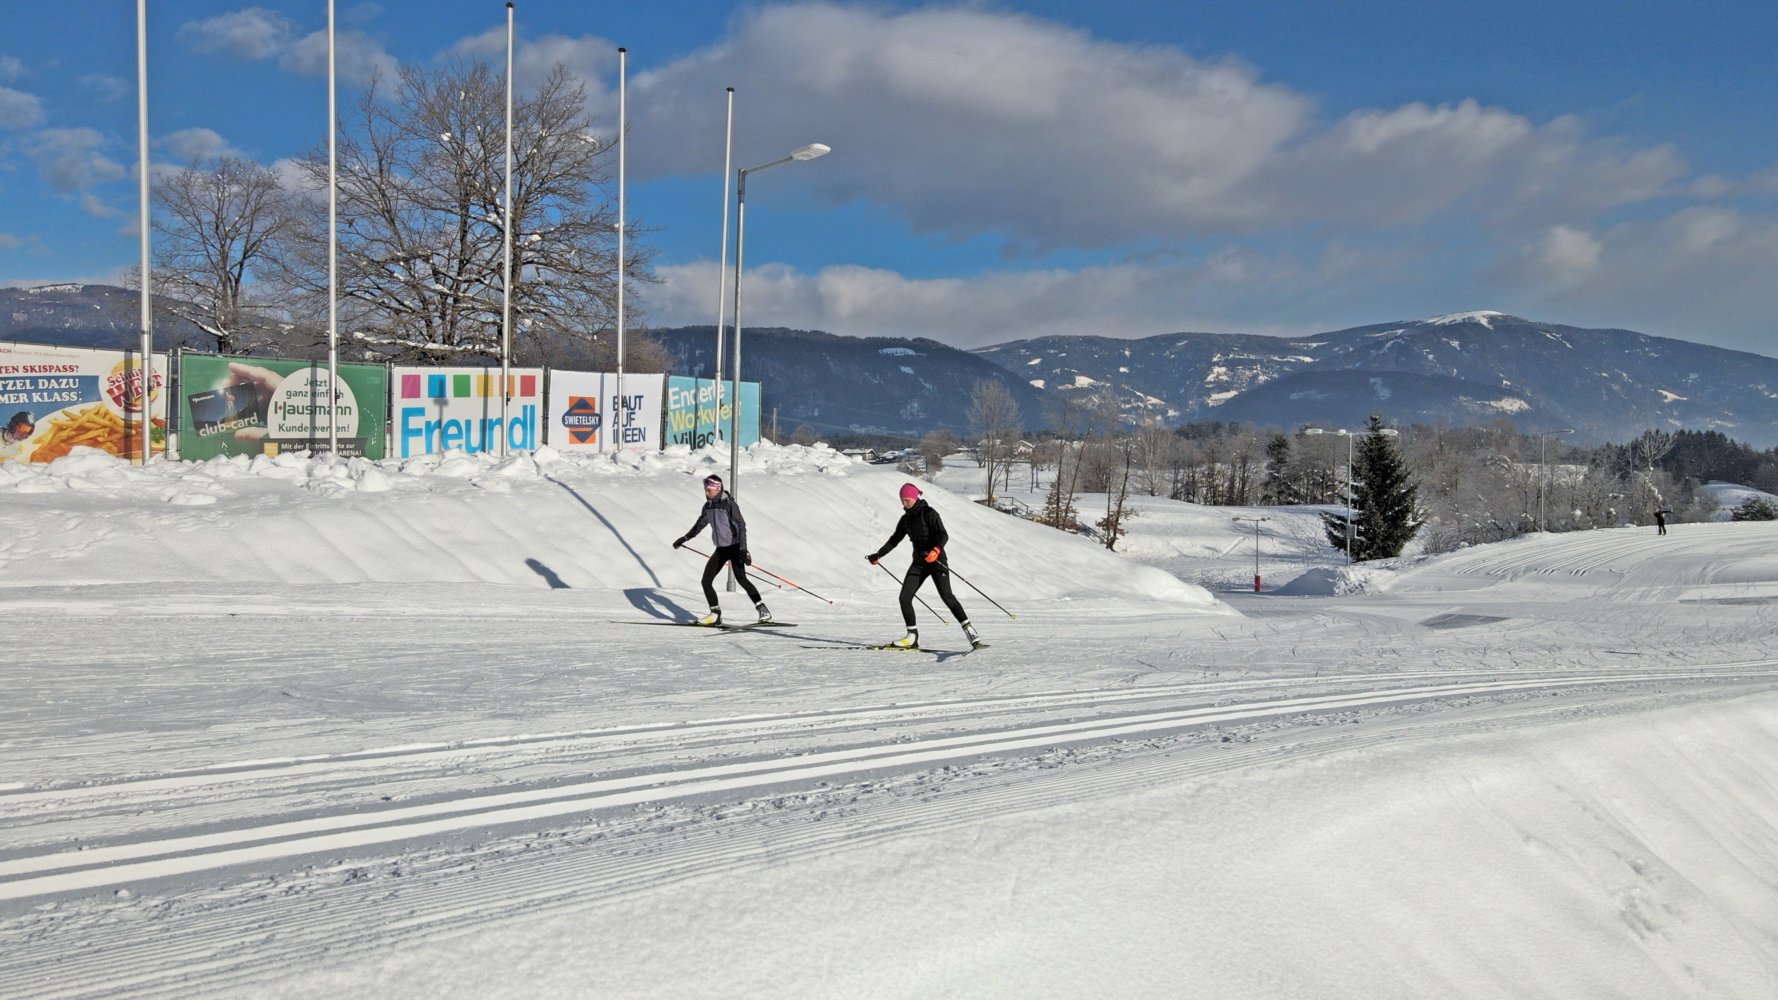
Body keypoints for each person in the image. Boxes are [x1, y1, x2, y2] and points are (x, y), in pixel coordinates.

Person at [867, 483, 980, 649]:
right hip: (919, 563)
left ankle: (969, 630)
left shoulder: (929, 513)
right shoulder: (906, 520)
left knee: (946, 596)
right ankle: (912, 637)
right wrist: (879, 554)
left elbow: (943, 535)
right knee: (904, 597)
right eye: (902, 500)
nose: (904, 504)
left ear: (914, 498)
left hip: (937, 561)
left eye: (907, 500)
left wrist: (936, 549)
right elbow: (894, 540)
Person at [673, 474, 770, 626]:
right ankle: (715, 614)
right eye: (705, 490)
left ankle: (763, 610)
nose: (706, 493)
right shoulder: (709, 506)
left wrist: (744, 550)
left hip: (735, 547)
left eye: (708, 490)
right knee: (706, 581)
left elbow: (741, 527)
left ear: (717, 489)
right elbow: (699, 525)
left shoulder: (729, 505)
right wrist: (684, 539)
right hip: (721, 549)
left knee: (741, 579)